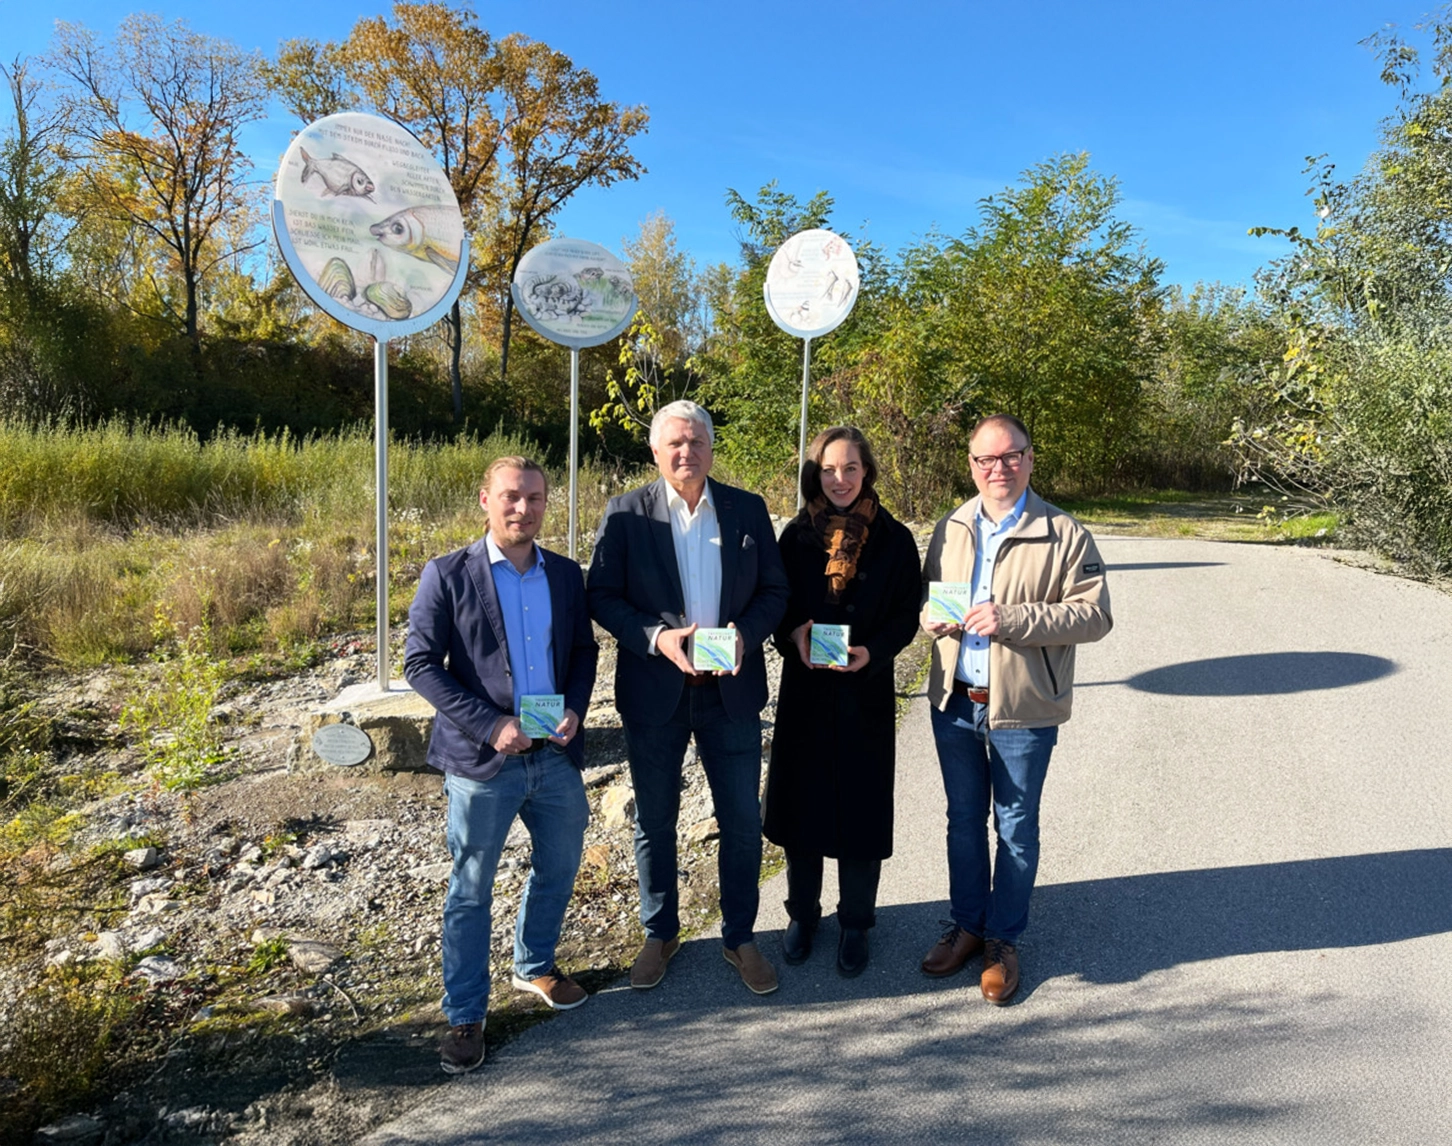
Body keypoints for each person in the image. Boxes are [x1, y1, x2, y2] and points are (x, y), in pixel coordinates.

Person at [587, 400, 789, 995]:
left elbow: (775, 591)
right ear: (655, 451)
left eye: (697, 441)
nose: (686, 452)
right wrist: (656, 637)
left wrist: (745, 635)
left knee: (742, 821)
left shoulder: (747, 509)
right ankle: (660, 933)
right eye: (674, 442)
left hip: (730, 691)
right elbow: (601, 595)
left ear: (711, 448)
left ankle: (740, 937)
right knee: (655, 820)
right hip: (656, 691)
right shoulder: (626, 514)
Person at [404, 456, 599, 1075]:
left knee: (560, 864)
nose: (524, 508)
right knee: (471, 889)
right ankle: (465, 1013)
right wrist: (490, 724)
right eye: (511, 496)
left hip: (554, 755)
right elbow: (419, 664)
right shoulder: (447, 574)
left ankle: (534, 964)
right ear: (485, 500)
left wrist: (575, 708)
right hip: (481, 762)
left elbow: (583, 650)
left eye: (535, 498)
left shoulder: (564, 574)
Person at [919, 415, 1112, 1004]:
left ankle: (1003, 940)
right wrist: (929, 618)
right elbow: (928, 595)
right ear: (971, 465)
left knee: (1016, 829)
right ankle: (967, 926)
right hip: (955, 701)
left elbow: (1095, 615)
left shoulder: (1063, 532)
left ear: (1029, 459)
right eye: (986, 459)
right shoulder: (952, 526)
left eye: (1010, 456)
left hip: (1025, 708)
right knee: (962, 822)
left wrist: (1013, 619)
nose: (997, 469)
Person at [763, 426, 921, 977]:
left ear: (867, 471)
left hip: (865, 693)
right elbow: (775, 604)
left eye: (850, 468)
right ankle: (802, 915)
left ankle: (856, 922)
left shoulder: (895, 539)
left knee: (861, 809)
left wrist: (873, 652)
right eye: (829, 469)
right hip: (805, 693)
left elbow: (906, 615)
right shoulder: (794, 537)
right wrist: (793, 635)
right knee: (801, 806)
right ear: (816, 473)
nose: (839, 479)